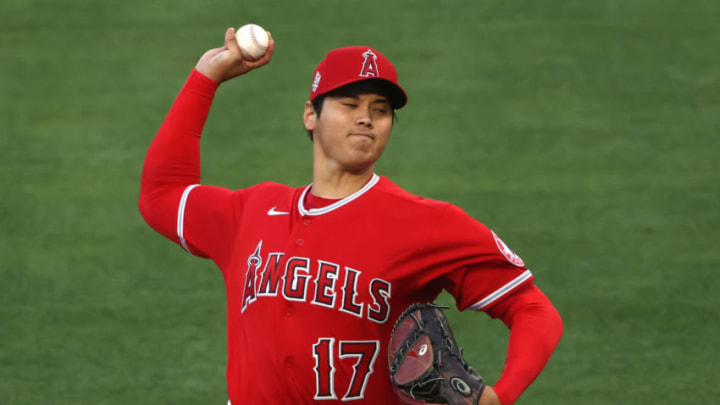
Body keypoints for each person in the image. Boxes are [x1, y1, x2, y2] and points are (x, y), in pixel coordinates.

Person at [139, 27, 563, 405]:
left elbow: (533, 310)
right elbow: (162, 194)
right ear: (311, 114)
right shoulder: (250, 212)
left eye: (381, 110)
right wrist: (205, 78)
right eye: (349, 103)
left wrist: (502, 396)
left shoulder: (425, 224)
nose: (366, 118)